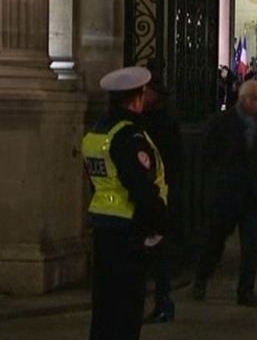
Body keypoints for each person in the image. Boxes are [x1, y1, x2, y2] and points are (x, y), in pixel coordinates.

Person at [82, 67, 168, 340]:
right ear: (137, 98)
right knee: (127, 311)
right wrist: (156, 226)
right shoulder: (128, 136)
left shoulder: (98, 132)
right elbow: (141, 187)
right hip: (129, 229)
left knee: (105, 308)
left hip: (104, 226)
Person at [193, 80, 257, 307]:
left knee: (251, 244)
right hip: (226, 193)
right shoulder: (221, 122)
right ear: (245, 99)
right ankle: (201, 278)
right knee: (215, 241)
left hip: (250, 193)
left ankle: (246, 290)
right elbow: (208, 156)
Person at [142, 59, 184, 324]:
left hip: (157, 194)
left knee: (157, 252)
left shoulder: (156, 121)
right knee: (158, 252)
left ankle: (163, 302)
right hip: (160, 193)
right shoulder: (163, 117)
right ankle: (162, 301)